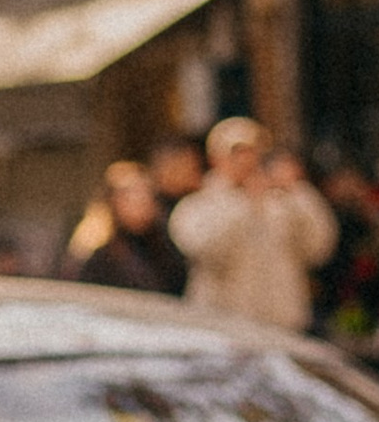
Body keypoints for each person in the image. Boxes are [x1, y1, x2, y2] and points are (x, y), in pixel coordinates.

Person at [168, 115, 336, 330]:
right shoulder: (196, 206)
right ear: (215, 158)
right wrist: (244, 204)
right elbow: (207, 251)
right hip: (225, 328)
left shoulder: (280, 203)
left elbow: (318, 248)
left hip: (283, 326)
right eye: (237, 152)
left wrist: (297, 191)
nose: (246, 160)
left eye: (253, 151)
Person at [66, 157, 189, 294]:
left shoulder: (165, 245)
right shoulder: (98, 252)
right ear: (114, 202)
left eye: (146, 196)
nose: (141, 203)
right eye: (132, 197)